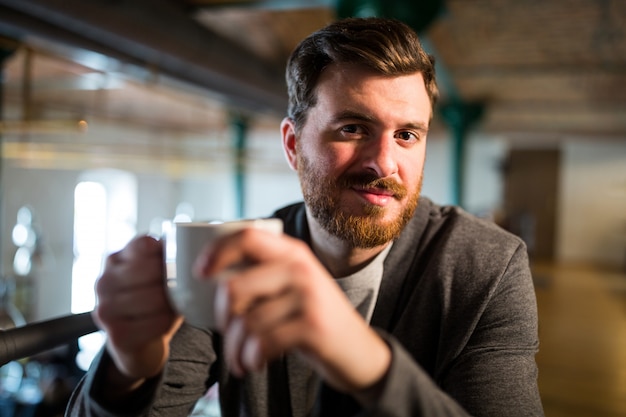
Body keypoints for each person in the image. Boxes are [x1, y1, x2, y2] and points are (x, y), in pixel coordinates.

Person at [66, 16, 543, 417]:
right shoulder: (236, 259)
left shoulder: (488, 266)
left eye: (406, 135)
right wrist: (129, 369)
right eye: (353, 128)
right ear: (294, 145)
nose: (384, 162)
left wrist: (369, 364)